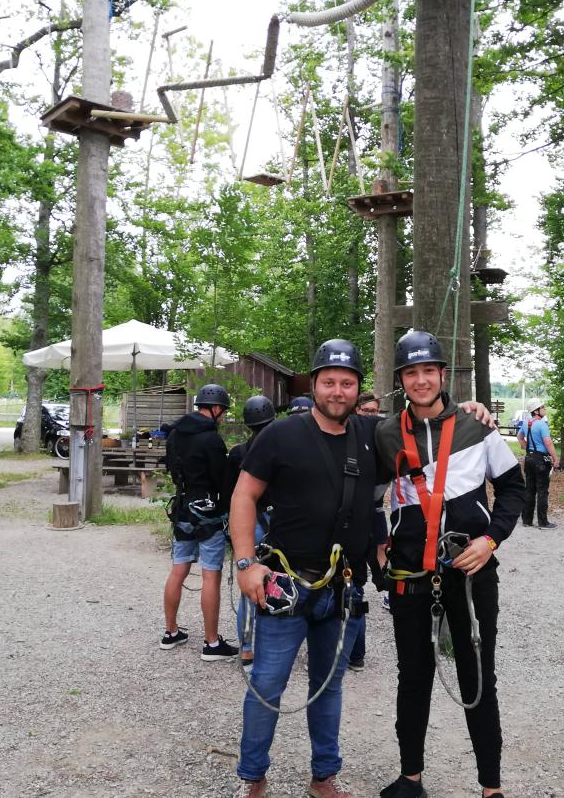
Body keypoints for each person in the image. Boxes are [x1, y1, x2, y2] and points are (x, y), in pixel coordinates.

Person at [374, 330, 526, 798]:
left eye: (428, 371)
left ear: (443, 375)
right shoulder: (382, 434)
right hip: (412, 578)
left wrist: (491, 540)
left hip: (471, 575)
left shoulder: (476, 427)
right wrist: (378, 543)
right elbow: (367, 495)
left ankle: (491, 787)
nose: (421, 380)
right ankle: (411, 778)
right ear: (401, 379)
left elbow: (514, 488)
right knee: (413, 676)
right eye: (411, 373)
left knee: (477, 676)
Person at [229, 339, 374, 798]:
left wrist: (468, 408)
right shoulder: (280, 435)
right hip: (284, 584)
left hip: (344, 587)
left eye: (346, 383)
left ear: (357, 389)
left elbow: (428, 424)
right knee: (267, 684)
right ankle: (253, 779)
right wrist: (246, 562)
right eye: (328, 382)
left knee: (328, 688)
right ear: (314, 385)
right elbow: (243, 496)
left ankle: (323, 778)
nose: (337, 391)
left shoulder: (371, 437)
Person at [161, 383, 239, 662]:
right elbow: (222, 479)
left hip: (183, 507)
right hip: (208, 512)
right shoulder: (211, 440)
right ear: (216, 409)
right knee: (210, 575)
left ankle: (170, 632)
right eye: (223, 412)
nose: (223, 417)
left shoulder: (174, 435)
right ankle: (211, 642)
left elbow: (171, 468)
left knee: (178, 570)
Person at [225, 395, 277, 671]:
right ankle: (271, 647)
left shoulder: (237, 453)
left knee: (249, 586)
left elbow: (232, 492)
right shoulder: (282, 448)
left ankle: (246, 649)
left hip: (247, 523)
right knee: (276, 582)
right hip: (273, 521)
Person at [347, 391, 385, 672]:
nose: (371, 416)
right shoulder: (346, 433)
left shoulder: (381, 437)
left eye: (375, 411)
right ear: (357, 410)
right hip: (345, 518)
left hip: (371, 514)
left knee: (358, 582)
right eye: (367, 411)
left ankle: (356, 653)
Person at [516, 400, 560, 529]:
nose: (544, 409)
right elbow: (548, 443)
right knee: (542, 491)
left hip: (529, 458)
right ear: (536, 411)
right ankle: (543, 522)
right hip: (540, 460)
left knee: (529, 489)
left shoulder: (526, 423)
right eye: (542, 407)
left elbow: (519, 437)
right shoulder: (542, 425)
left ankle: (527, 520)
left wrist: (527, 448)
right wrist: (555, 458)